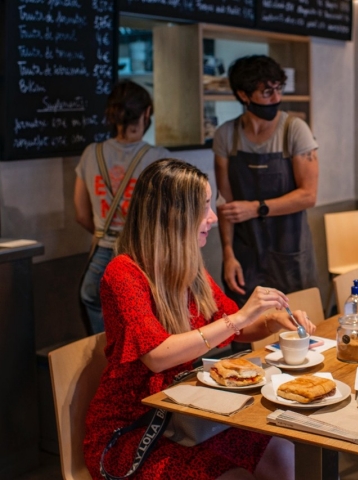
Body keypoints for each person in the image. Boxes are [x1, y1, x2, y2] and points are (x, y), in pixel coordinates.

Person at [83, 159, 316, 480]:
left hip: (188, 412)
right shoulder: (123, 272)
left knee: (283, 452)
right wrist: (239, 317)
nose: (212, 217)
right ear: (172, 216)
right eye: (203, 207)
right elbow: (157, 356)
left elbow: (236, 325)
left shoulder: (189, 268)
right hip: (136, 426)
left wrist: (272, 319)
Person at [213, 55, 319, 309]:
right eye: (267, 91)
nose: (276, 98)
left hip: (289, 249)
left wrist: (256, 207)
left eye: (278, 89)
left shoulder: (294, 130)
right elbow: (225, 201)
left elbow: (308, 195)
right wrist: (228, 253)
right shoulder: (226, 135)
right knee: (244, 328)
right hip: (245, 251)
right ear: (244, 95)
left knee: (297, 330)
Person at [74, 80, 170, 334]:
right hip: (143, 254)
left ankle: (106, 362)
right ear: (147, 112)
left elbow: (81, 213)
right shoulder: (159, 158)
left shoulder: (91, 154)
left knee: (93, 300)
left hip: (102, 254)